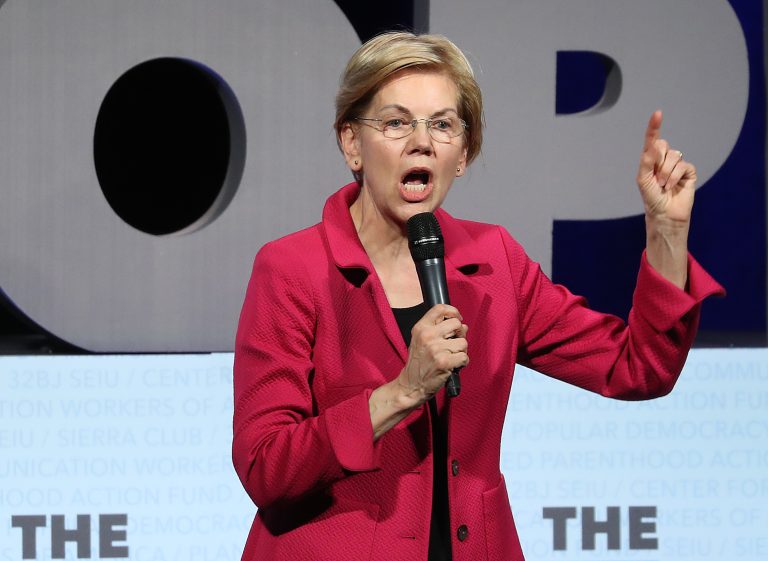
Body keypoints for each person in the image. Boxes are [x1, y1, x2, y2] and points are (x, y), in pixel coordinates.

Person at [232, 32, 724, 561]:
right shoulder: (292, 270)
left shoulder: (493, 262)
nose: (421, 141)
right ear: (352, 143)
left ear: (463, 154)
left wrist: (667, 234)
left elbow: (638, 368)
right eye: (396, 122)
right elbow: (265, 467)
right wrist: (399, 393)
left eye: (442, 125)